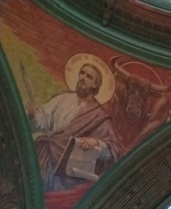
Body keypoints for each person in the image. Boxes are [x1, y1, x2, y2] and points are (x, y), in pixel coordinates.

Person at [26, 59, 119, 191]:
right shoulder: (62, 99)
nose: (83, 77)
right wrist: (32, 115)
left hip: (68, 173)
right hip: (46, 158)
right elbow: (43, 120)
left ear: (95, 85)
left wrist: (96, 142)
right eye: (82, 73)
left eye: (89, 76)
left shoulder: (99, 115)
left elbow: (112, 149)